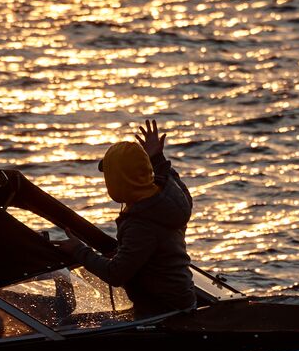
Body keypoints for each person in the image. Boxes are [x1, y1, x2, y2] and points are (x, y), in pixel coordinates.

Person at [56, 119, 196, 318]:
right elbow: (172, 182)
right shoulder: (167, 195)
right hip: (181, 299)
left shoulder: (141, 223)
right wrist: (156, 157)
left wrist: (78, 250)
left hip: (162, 312)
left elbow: (116, 274)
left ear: (121, 181)